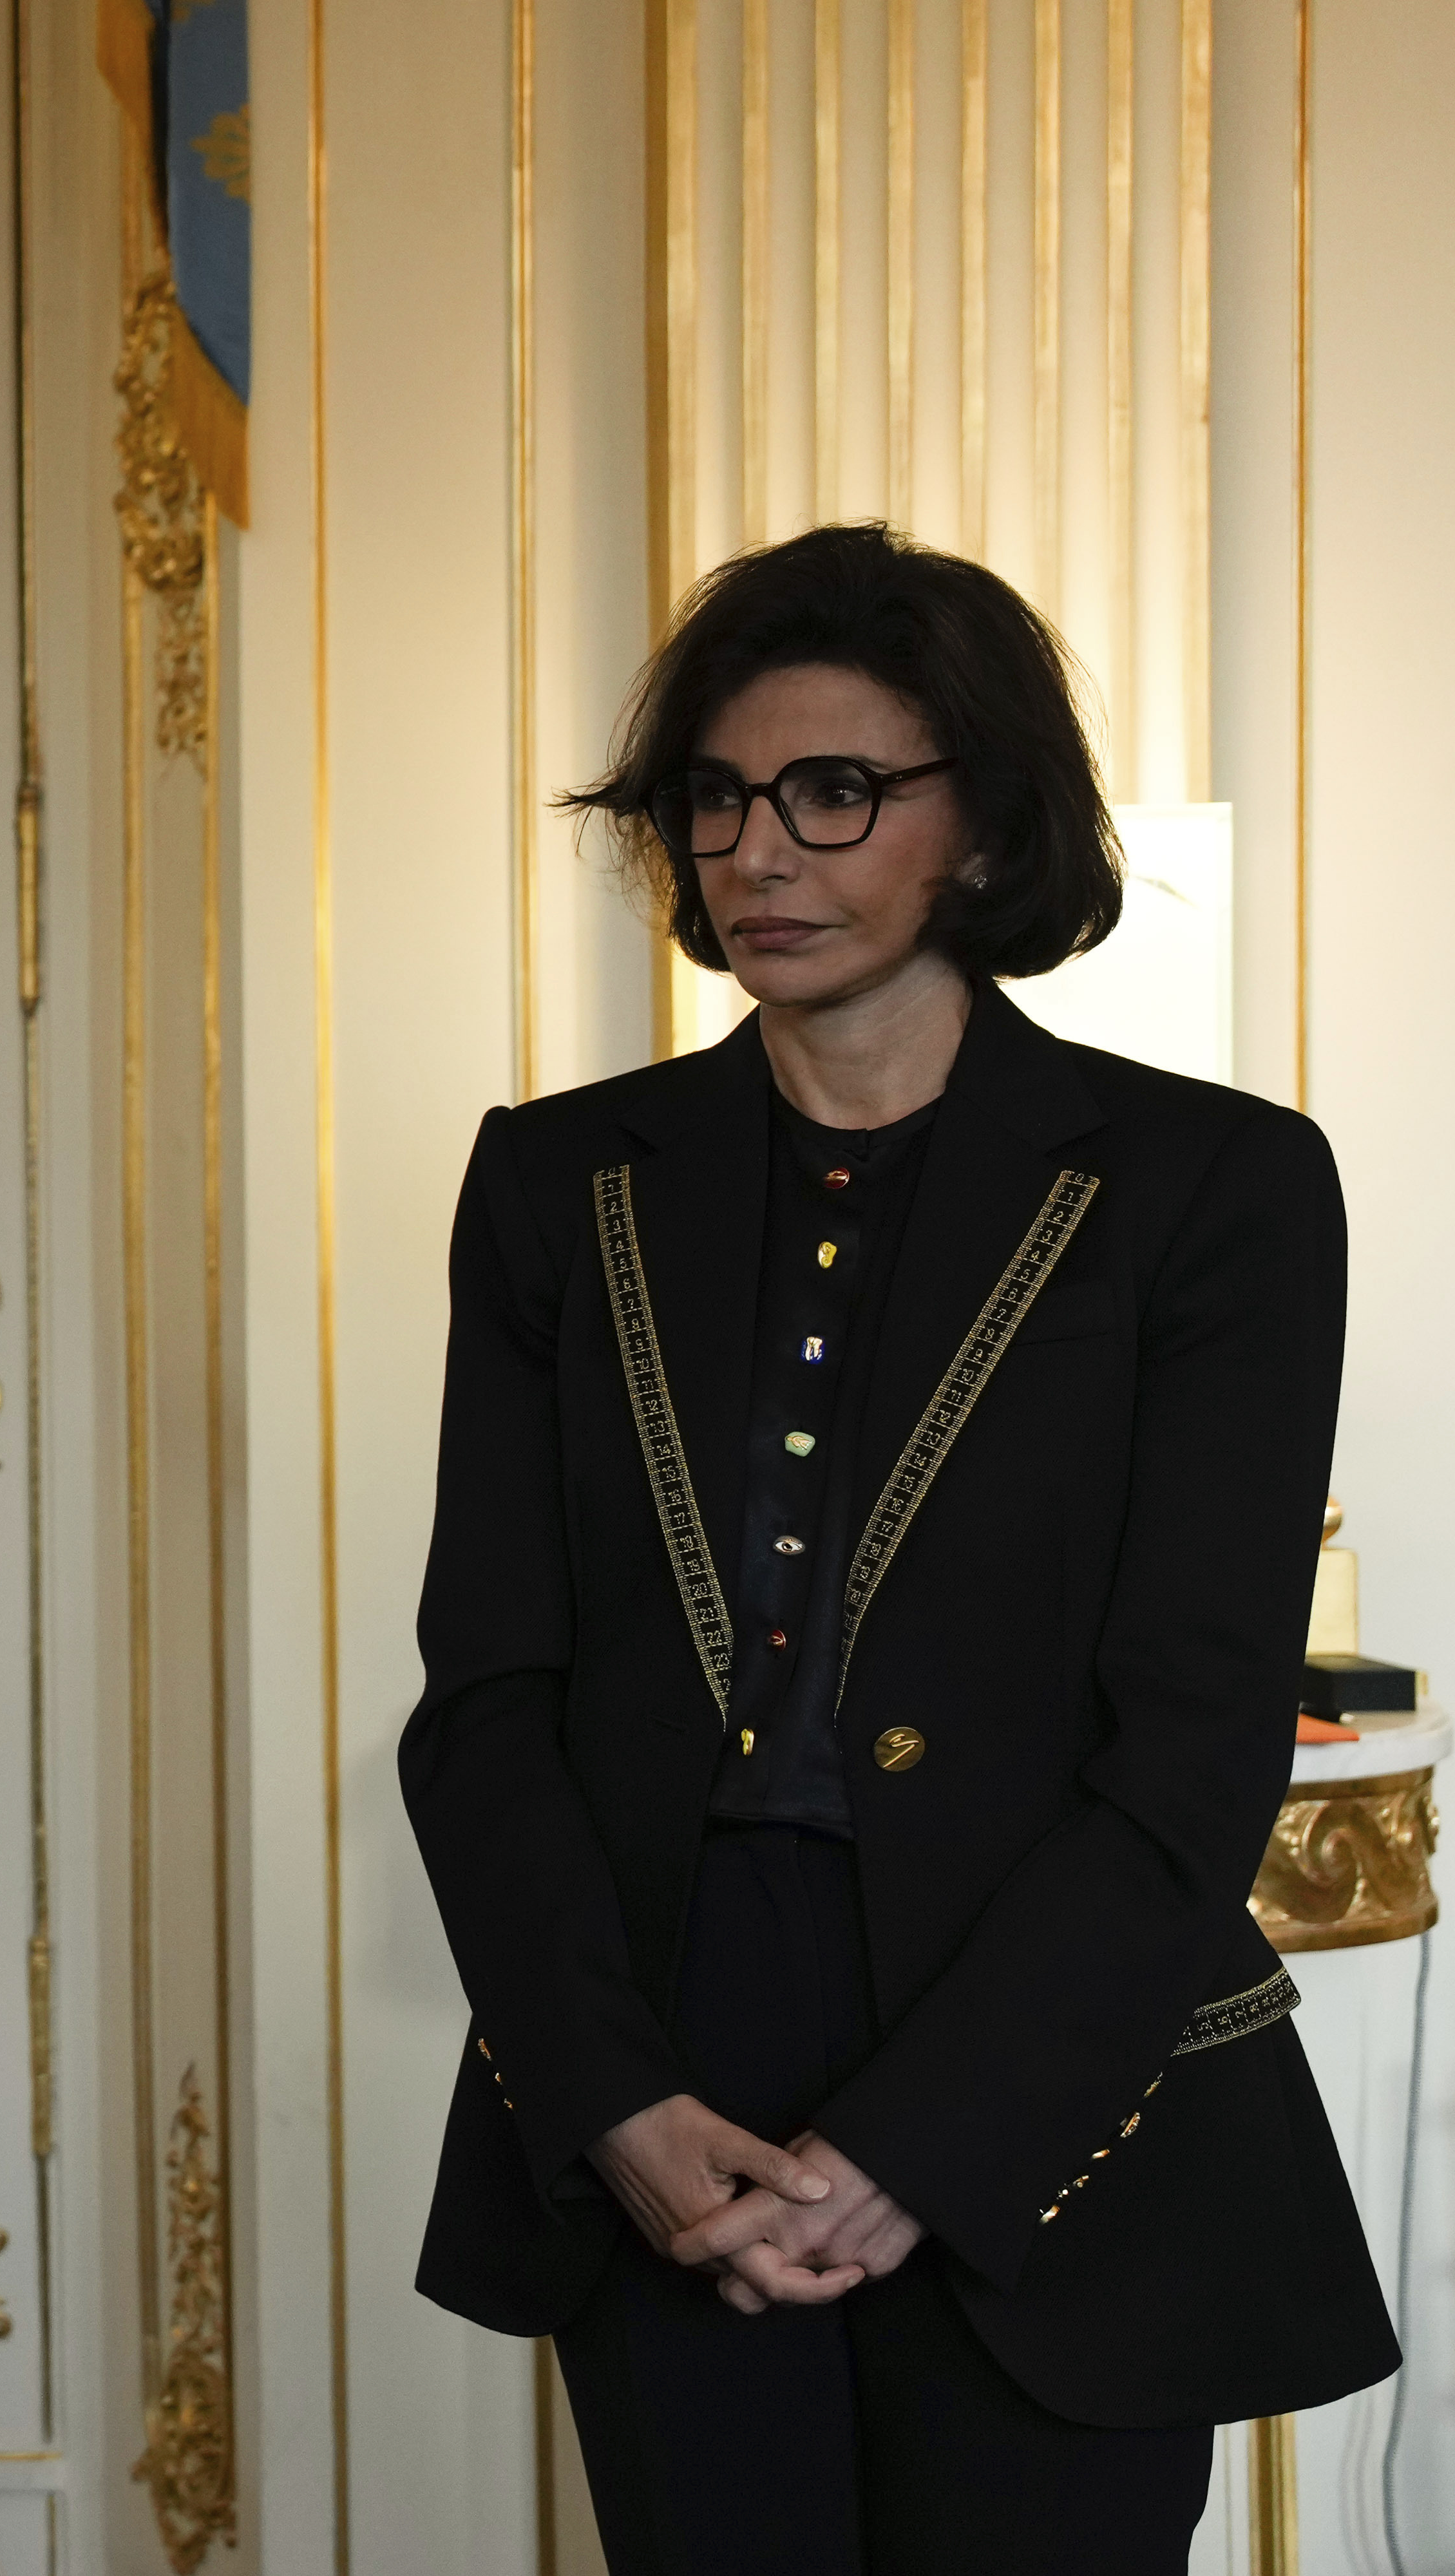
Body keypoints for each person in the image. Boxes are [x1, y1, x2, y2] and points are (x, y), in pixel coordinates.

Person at [400, 520, 1393, 2572]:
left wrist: (918, 2150)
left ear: (986, 824)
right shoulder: (554, 1185)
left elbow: (1195, 1740)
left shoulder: (1215, 1190)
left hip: (1052, 2070)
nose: (760, 852)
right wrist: (615, 2108)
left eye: (835, 793)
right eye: (721, 799)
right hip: (666, 2065)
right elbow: (486, 1703)